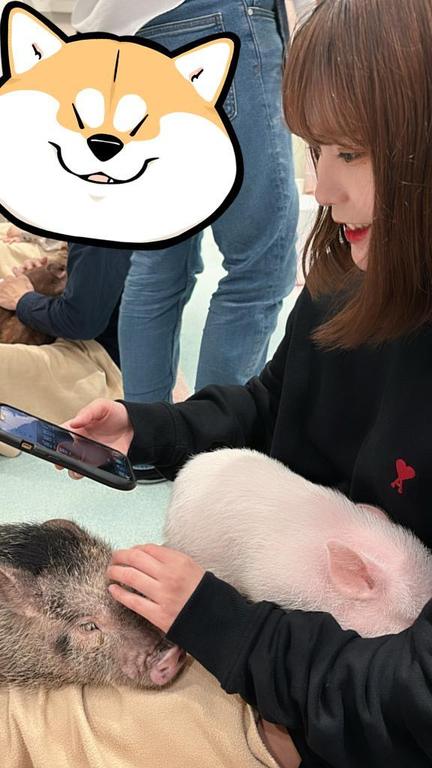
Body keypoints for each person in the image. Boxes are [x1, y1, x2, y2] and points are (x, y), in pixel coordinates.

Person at [58, 0, 432, 764]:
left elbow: (412, 701)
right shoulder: (345, 285)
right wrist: (152, 427)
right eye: (315, 149)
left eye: (351, 152)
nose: (321, 187)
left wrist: (227, 628)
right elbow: (274, 402)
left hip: (342, 694)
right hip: (289, 642)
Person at [72, 0, 299, 403]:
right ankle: (216, 435)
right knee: (259, 268)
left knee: (158, 267)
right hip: (219, 20)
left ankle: (146, 432)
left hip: (136, 37)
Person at [0, 242, 130, 368]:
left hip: (107, 353)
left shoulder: (96, 239)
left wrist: (22, 300)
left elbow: (80, 322)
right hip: (95, 332)